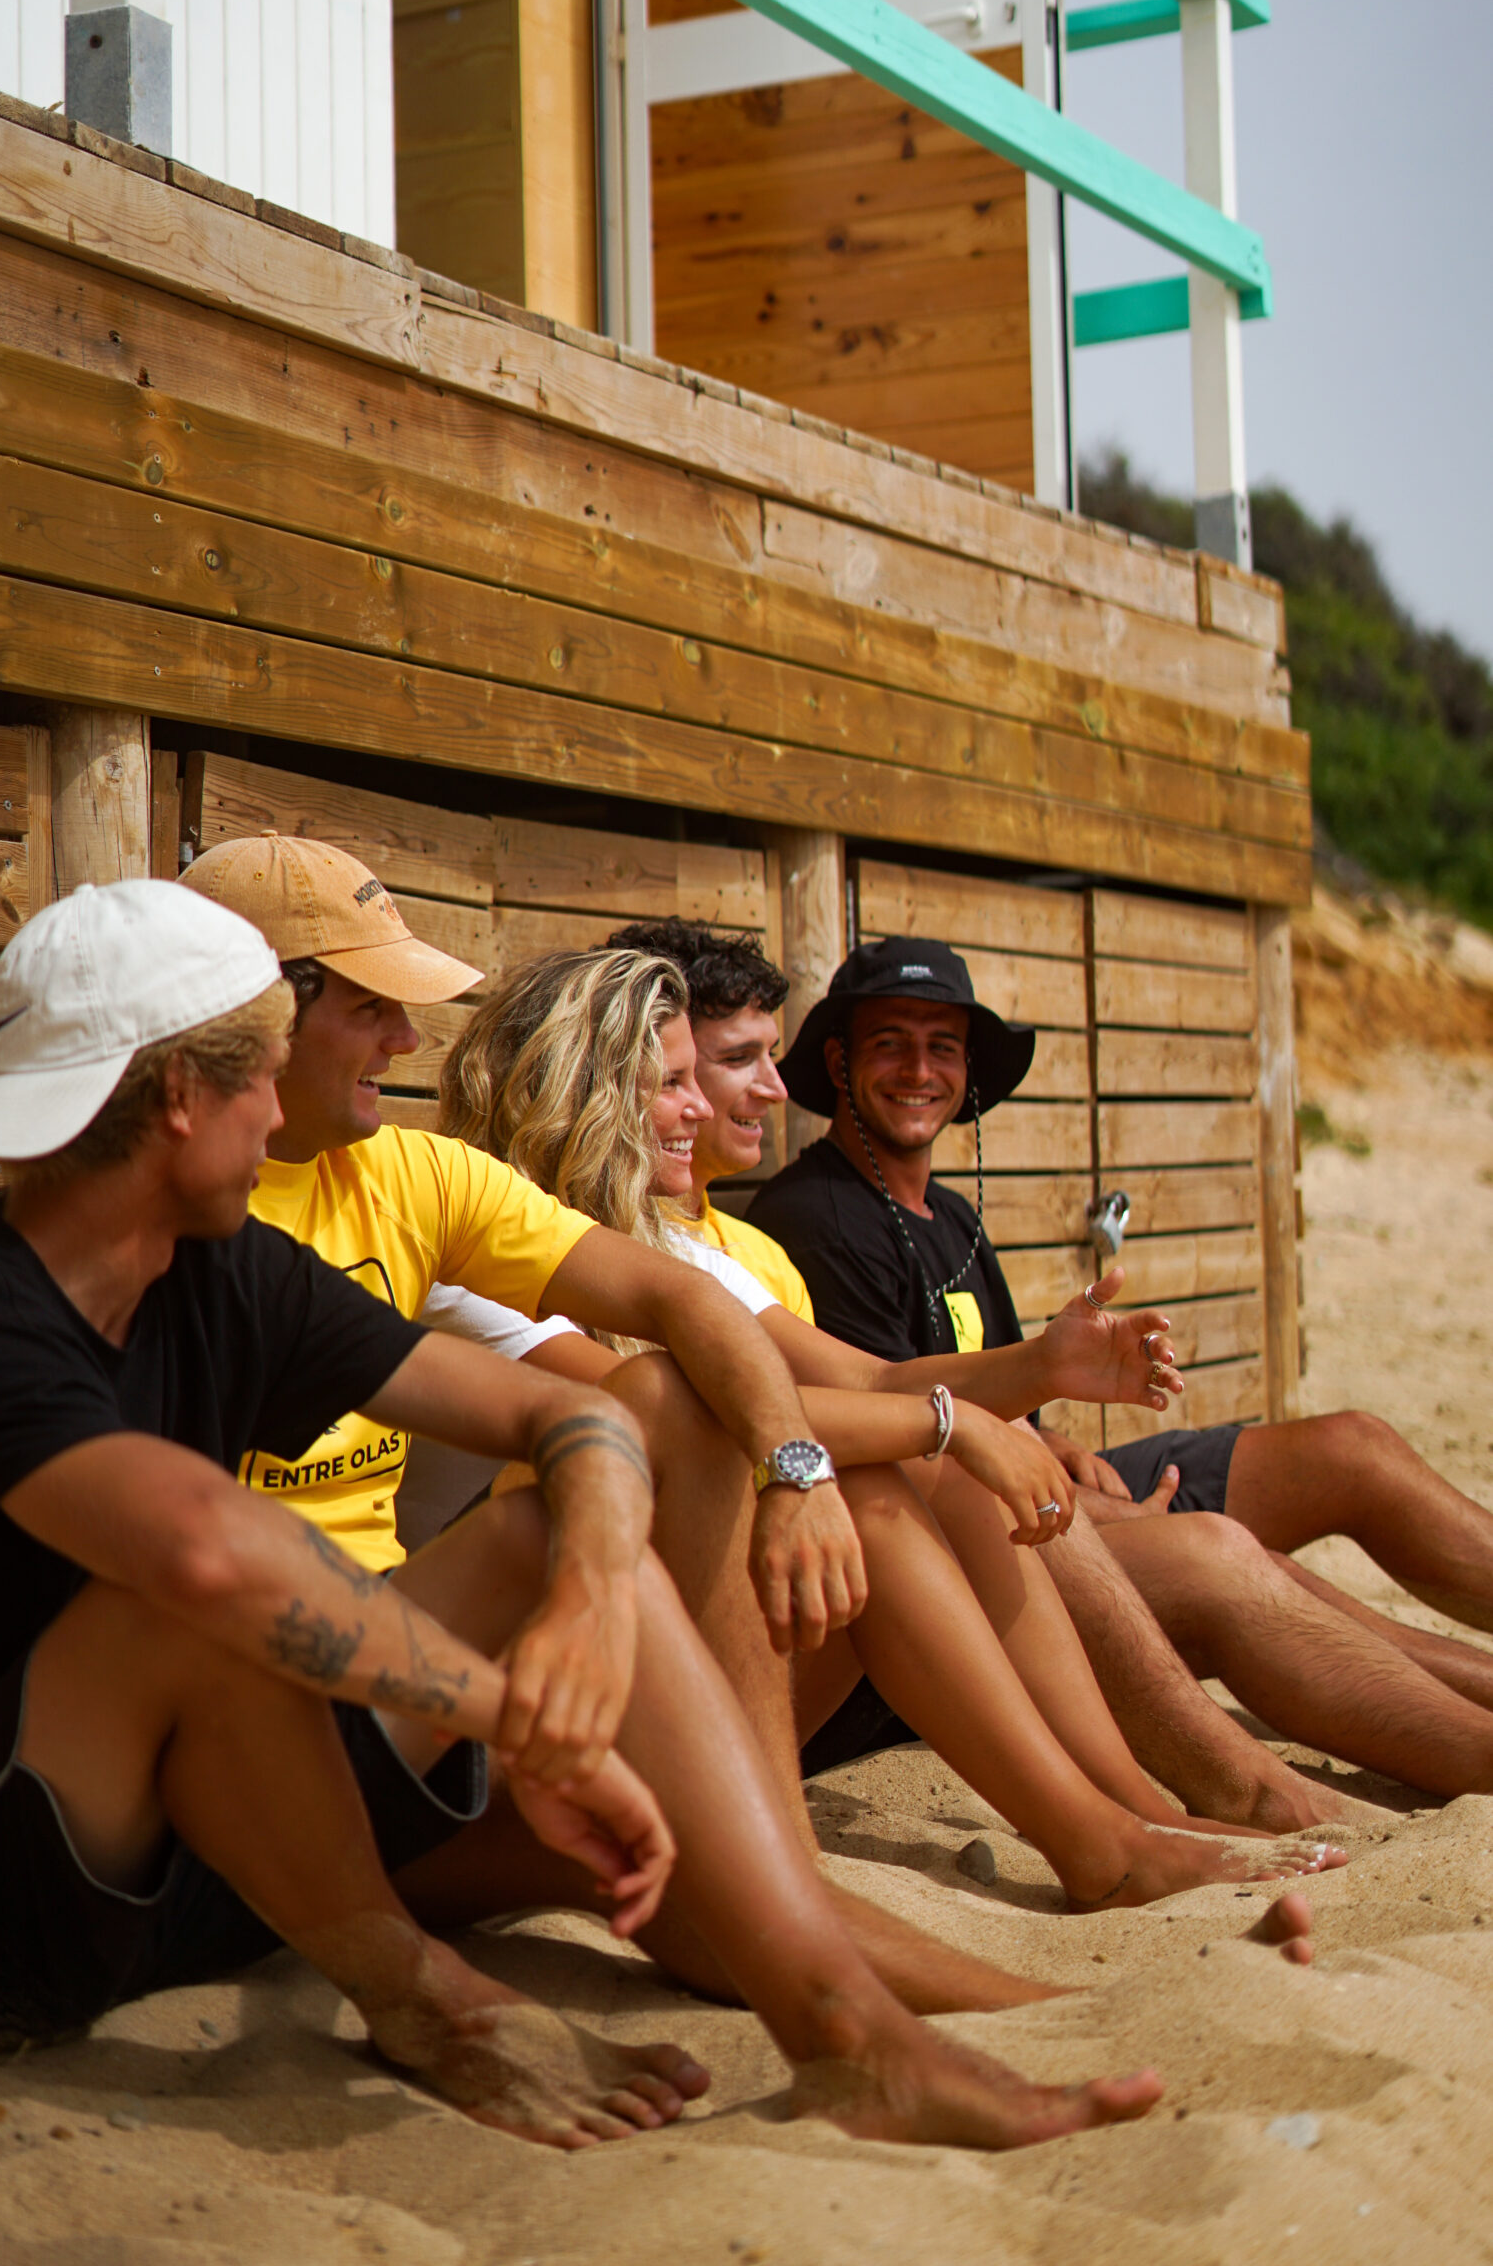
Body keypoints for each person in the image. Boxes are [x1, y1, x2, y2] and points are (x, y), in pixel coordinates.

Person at [0, 879, 1178, 2155]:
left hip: (195, 1856)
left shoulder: (222, 1277)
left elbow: (573, 1416)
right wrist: (520, 1715)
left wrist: (579, 1596)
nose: (282, 1120)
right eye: (262, 1082)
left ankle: (852, 2045)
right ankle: (432, 1998)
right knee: (189, 1595)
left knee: (568, 1554)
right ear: (173, 1103)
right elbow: (208, 1556)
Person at [179, 836, 1319, 1996]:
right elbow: (640, 1405)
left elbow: (785, 1355)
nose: (407, 1040)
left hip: (582, 1644)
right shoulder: (213, 1232)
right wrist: (932, 1426)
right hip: (442, 1681)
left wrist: (1016, 1383)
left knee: (902, 1473)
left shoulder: (424, 1184)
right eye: (375, 1007)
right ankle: (1015, 1907)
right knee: (759, 1437)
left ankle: (1103, 1830)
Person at [436, 943, 1340, 1910]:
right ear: (585, 1091)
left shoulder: (657, 1244)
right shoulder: (478, 1259)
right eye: (673, 1084)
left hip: (682, 1643)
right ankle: (1103, 1835)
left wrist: (1040, 1369)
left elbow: (867, 1378)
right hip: (531, 1696)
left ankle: (1123, 1817)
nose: (703, 1109)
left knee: (920, 1471)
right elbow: (668, 1410)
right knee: (891, 1477)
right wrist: (947, 1425)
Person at [746, 935, 1493, 1803]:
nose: (919, 1069)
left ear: (968, 1069)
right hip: (966, 1546)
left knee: (1352, 1448)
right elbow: (907, 1444)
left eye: (941, 1046)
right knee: (1227, 1559)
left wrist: (1057, 1437)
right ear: (837, 1061)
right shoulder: (814, 1217)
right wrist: (1099, 1515)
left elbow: (992, 1389)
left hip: (1039, 1484)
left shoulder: (947, 1212)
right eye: (890, 1043)